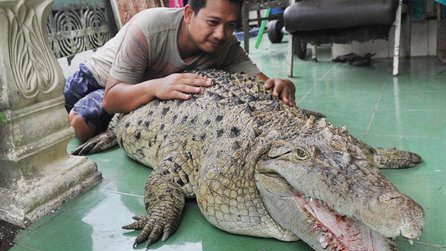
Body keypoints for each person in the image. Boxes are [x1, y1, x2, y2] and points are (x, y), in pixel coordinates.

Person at [64, 0, 296, 142]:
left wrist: (282, 85)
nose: (220, 34)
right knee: (58, 116)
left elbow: (264, 84)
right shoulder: (148, 26)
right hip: (99, 77)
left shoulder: (226, 46)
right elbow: (112, 98)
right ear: (188, 14)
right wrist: (157, 85)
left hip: (137, 93)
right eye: (212, 22)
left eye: (230, 25)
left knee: (81, 126)